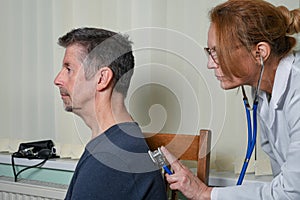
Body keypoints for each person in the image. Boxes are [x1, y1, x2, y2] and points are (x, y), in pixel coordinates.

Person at [161, 0, 300, 199]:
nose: (210, 64)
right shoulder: (261, 91)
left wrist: (204, 193)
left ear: (259, 52)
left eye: (218, 53)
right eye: (210, 52)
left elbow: (289, 193)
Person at [54, 27, 167, 200]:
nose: (58, 79)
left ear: (102, 79)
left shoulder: (113, 159)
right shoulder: (113, 144)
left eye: (69, 69)